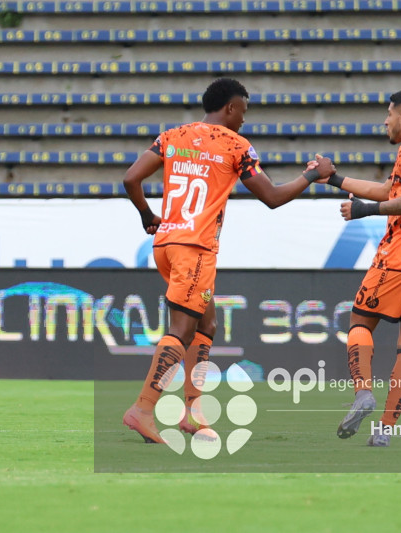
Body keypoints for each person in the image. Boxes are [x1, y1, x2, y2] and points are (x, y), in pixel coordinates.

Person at [121, 77, 335, 444]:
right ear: (231, 108)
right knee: (183, 330)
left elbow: (130, 179)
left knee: (207, 323)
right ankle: (142, 409)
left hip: (167, 244)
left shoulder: (172, 136)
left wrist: (145, 213)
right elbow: (272, 197)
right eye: (244, 112)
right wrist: (312, 175)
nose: (244, 121)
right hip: (196, 249)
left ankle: (192, 411)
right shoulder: (237, 146)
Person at [320, 88, 401, 447]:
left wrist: (363, 211)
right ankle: (385, 430)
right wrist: (335, 179)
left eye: (389, 114)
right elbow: (389, 189)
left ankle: (363, 392)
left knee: (360, 322)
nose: (385, 121)